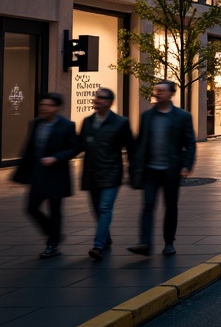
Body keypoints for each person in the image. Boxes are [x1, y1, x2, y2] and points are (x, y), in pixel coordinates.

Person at [128, 80, 196, 257]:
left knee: (170, 206)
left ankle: (169, 242)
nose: (157, 93)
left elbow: (190, 143)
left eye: (161, 91)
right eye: (156, 90)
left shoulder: (182, 116)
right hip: (150, 170)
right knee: (148, 205)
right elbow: (140, 142)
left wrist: (186, 165)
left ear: (171, 94)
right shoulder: (147, 116)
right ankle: (145, 243)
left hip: (171, 170)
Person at [12, 92, 80, 258]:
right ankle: (53, 234)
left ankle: (52, 244)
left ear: (56, 108)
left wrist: (56, 158)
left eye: (48, 105)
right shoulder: (36, 123)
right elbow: (29, 149)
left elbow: (75, 148)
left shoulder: (67, 126)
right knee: (31, 209)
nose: (44, 108)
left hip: (57, 175)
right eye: (42, 105)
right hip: (38, 175)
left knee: (55, 210)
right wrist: (17, 175)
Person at [78, 87, 134, 261]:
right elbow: (80, 145)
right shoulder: (87, 122)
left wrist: (134, 171)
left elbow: (131, 148)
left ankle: (98, 245)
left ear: (110, 103)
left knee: (104, 208)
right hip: (91, 174)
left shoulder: (120, 122)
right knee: (97, 210)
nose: (96, 100)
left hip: (111, 173)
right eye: (96, 97)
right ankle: (106, 237)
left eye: (101, 98)